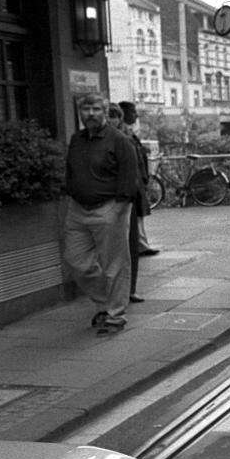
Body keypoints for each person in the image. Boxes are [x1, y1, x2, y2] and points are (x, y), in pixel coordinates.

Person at [63, 93, 140, 335]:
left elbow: (131, 177)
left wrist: (118, 209)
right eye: (86, 109)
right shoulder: (77, 139)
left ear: (105, 112)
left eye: (96, 109)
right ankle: (106, 304)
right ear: (80, 113)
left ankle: (115, 315)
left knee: (114, 264)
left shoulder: (119, 141)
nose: (91, 114)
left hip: (109, 208)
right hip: (78, 210)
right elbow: (70, 171)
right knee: (76, 262)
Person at [108, 104, 147, 304]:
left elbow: (136, 168)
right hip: (106, 200)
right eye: (108, 116)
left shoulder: (126, 138)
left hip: (125, 199)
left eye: (113, 116)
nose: (110, 120)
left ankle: (129, 289)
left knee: (129, 246)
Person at [119, 101, 159, 258]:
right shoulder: (123, 134)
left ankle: (141, 243)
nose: (136, 115)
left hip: (138, 178)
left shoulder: (129, 133)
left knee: (138, 212)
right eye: (133, 112)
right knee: (134, 212)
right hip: (133, 179)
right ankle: (139, 245)